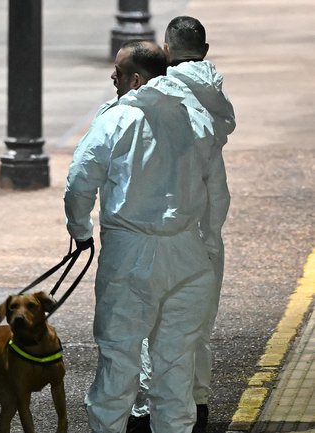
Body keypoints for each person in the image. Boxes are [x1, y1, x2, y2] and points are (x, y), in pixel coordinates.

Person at [64, 40, 217, 433]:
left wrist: (80, 231)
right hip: (187, 252)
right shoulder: (195, 117)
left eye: (117, 72)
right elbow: (217, 187)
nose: (112, 78)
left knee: (119, 358)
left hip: (130, 252)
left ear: (135, 78)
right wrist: (209, 240)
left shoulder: (115, 120)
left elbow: (80, 183)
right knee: (176, 365)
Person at [127, 16, 236, 433]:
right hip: (207, 231)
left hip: (162, 232)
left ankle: (148, 413)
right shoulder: (216, 100)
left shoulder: (157, 97)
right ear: (204, 51)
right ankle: (197, 405)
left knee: (151, 326)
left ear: (167, 52)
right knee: (196, 326)